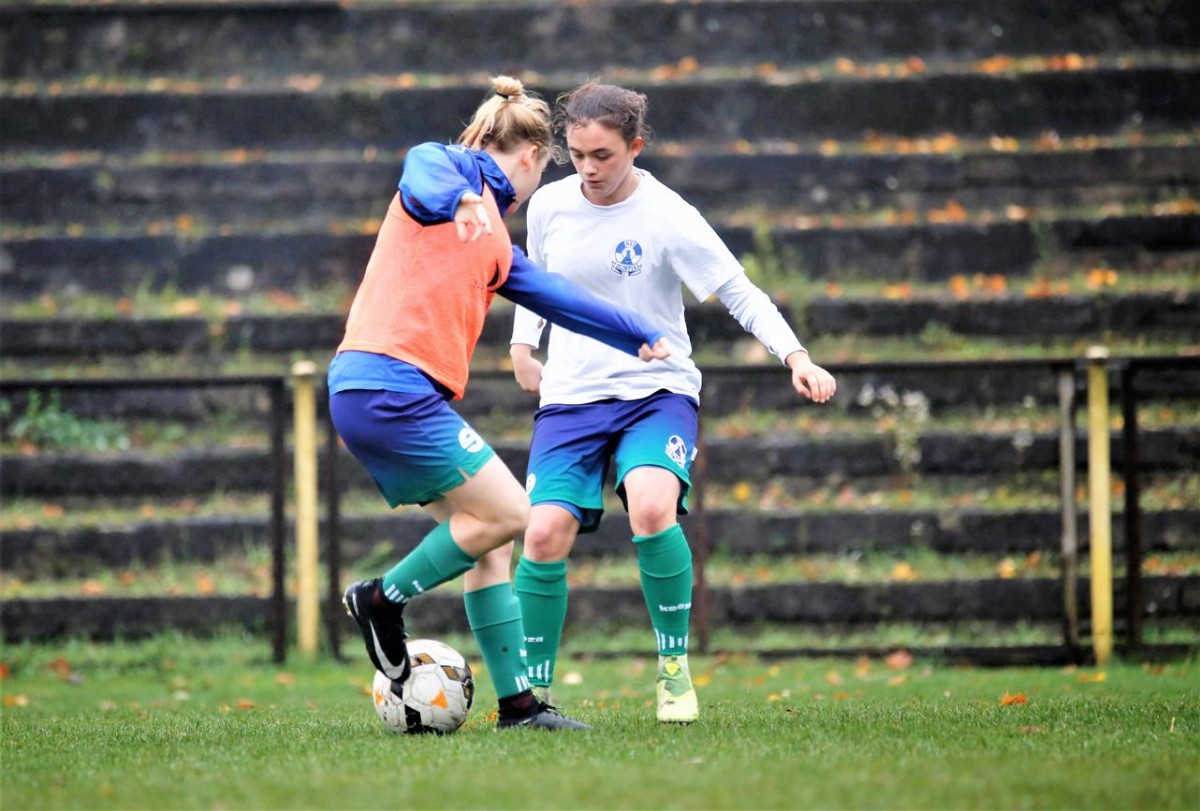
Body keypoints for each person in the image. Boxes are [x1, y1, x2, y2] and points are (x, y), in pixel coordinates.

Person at [330, 76, 671, 732]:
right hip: (390, 386)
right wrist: (461, 198)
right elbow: (421, 163)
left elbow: (561, 298)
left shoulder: (494, 244)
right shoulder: (454, 174)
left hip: (375, 393)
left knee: (484, 541)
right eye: (546, 170)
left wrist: (635, 333)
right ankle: (380, 599)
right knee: (513, 512)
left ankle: (519, 707)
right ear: (532, 157)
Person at [509, 81, 837, 724]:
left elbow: (738, 291)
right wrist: (525, 345)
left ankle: (673, 670)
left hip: (655, 392)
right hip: (572, 397)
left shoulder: (667, 214)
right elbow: (535, 278)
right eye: (577, 154)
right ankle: (533, 698)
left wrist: (797, 357)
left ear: (635, 147)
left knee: (653, 506)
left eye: (603, 155)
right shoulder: (548, 204)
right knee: (542, 533)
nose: (588, 168)